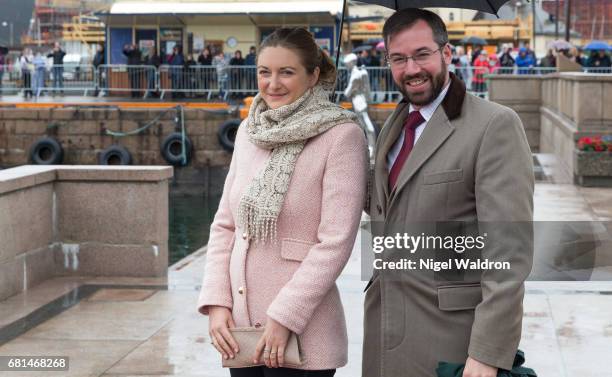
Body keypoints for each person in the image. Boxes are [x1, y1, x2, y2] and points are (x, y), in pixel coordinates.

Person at [363, 8, 533, 377]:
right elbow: (387, 204)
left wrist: (488, 353)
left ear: (446, 54)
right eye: (398, 59)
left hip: (450, 341)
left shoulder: (494, 125)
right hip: (384, 331)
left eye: (422, 54)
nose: (411, 69)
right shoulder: (395, 123)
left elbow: (509, 253)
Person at [198, 27, 367, 377]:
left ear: (313, 75)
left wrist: (285, 316)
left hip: (304, 330)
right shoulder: (250, 130)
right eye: (264, 72)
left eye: (286, 72)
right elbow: (226, 224)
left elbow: (335, 242)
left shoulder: (341, 136)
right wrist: (217, 302)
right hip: (241, 330)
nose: (272, 83)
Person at [343, 52, 376, 158]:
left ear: (352, 63)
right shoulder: (359, 73)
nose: (346, 65)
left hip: (359, 102)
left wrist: (348, 92)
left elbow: (347, 92)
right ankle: (367, 147)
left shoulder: (356, 75)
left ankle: (371, 147)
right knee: (362, 126)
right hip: (360, 101)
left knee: (366, 126)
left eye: (347, 63)